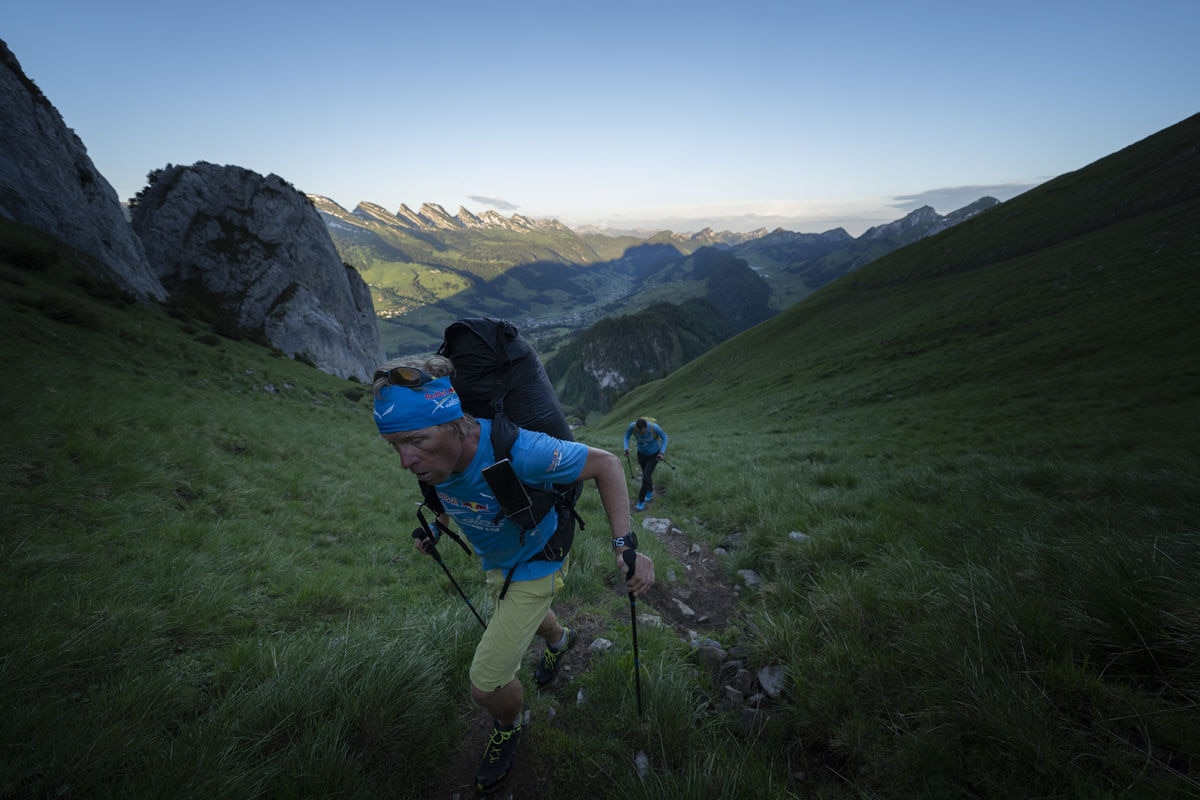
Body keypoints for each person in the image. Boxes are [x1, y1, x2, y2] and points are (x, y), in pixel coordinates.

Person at [372, 355, 655, 793]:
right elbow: (444, 493)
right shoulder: (437, 459)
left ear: (455, 425)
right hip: (497, 563)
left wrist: (624, 546)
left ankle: (509, 723)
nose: (405, 460)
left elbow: (606, 465)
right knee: (520, 614)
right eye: (395, 445)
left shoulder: (521, 450)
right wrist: (437, 530)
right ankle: (562, 640)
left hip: (537, 559)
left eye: (416, 441)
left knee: (486, 685)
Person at [623, 417, 668, 511]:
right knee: (646, 474)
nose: (640, 433)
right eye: (638, 432)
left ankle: (641, 500)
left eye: (642, 432)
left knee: (646, 476)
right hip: (641, 454)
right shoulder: (632, 426)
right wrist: (626, 448)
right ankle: (650, 490)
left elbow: (664, 437)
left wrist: (662, 452)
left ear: (646, 427)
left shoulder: (654, 427)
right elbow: (626, 436)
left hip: (654, 455)